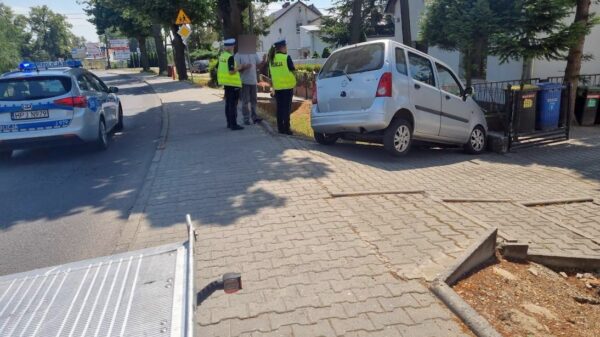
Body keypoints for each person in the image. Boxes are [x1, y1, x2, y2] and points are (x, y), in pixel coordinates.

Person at [268, 39, 296, 135]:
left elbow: (271, 74)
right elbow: (293, 70)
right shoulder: (286, 57)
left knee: (279, 108)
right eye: (286, 47)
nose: (286, 48)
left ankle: (280, 128)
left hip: (278, 88)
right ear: (283, 47)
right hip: (287, 87)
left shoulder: (271, 59)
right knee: (287, 108)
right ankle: (286, 129)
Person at [217, 38, 244, 131]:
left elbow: (219, 69)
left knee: (228, 104)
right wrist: (239, 68)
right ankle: (234, 124)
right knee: (233, 105)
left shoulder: (222, 56)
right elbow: (231, 71)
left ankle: (229, 123)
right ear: (231, 47)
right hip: (233, 85)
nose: (234, 47)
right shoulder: (230, 57)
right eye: (233, 46)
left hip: (226, 84)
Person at [234, 51, 266, 125]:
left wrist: (263, 62)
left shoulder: (253, 53)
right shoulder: (238, 55)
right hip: (244, 81)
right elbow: (235, 69)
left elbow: (258, 66)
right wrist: (244, 67)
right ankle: (246, 118)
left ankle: (254, 117)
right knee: (245, 101)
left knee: (254, 100)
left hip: (253, 81)